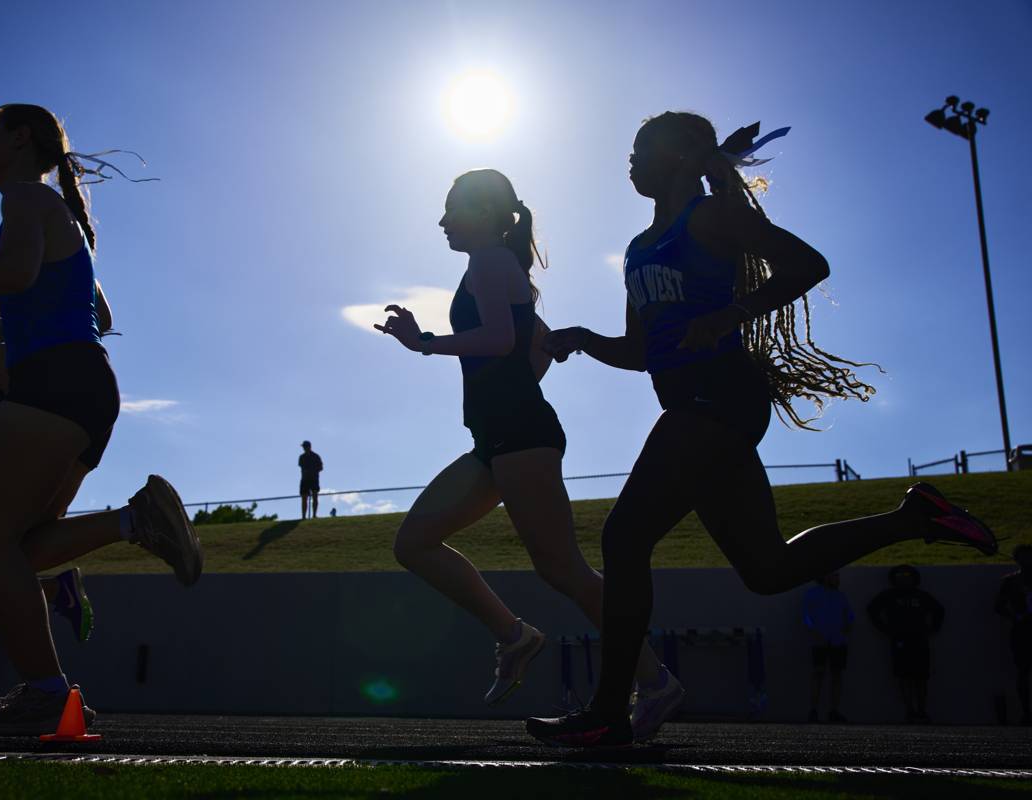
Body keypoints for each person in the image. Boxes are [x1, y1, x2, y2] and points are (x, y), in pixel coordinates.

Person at [526, 112, 997, 747]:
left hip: (718, 396)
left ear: (679, 156)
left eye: (639, 150)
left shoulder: (710, 218)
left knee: (624, 536)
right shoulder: (639, 250)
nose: (629, 163)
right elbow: (642, 352)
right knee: (767, 569)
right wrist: (583, 339)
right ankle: (914, 517)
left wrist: (730, 315)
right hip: (694, 403)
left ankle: (612, 709)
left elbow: (808, 264)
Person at [0, 103, 203, 735]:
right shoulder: (57, 213)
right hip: (82, 387)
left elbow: (12, 273)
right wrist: (7, 325)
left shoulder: (26, 199)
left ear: (19, 139)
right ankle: (134, 521)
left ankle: (47, 693)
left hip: (53, 386)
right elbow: (92, 313)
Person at [377, 169, 678, 731]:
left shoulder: (490, 263)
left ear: (489, 214)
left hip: (520, 437)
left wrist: (423, 344)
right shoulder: (493, 266)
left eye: (453, 210)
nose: (441, 222)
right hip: (499, 438)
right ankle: (516, 636)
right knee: (414, 542)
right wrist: (510, 387)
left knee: (564, 569)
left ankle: (654, 681)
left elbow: (502, 340)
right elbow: (538, 347)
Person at [868, 565, 944, 722]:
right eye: (900, 576)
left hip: (919, 639)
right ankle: (910, 711)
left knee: (921, 677)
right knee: (903, 676)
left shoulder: (921, 596)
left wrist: (932, 629)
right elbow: (872, 609)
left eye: (907, 576)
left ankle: (922, 710)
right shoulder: (889, 596)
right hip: (900, 640)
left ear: (913, 578)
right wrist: (886, 629)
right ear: (894, 579)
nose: (903, 579)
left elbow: (939, 610)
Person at [802, 571, 853, 722]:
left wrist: (844, 630)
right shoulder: (812, 594)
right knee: (819, 673)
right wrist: (816, 632)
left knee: (836, 675)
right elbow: (806, 616)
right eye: (834, 575)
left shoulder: (840, 596)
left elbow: (849, 616)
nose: (837, 579)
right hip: (821, 641)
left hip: (837, 641)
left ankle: (834, 710)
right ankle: (814, 710)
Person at [996, 545, 1032, 724]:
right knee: (1023, 671)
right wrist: (1016, 617)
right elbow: (999, 606)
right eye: (1023, 557)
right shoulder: (1010, 582)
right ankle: (1026, 712)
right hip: (1022, 631)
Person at [299, 441, 323, 519]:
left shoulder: (316, 456)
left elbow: (321, 468)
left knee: (315, 496)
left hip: (314, 479)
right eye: (303, 447)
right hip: (305, 479)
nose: (304, 448)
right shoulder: (302, 457)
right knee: (304, 498)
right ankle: (303, 516)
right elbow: (302, 467)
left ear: (309, 446)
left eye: (305, 447)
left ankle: (314, 515)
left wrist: (313, 471)